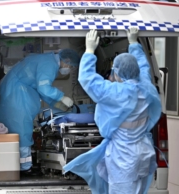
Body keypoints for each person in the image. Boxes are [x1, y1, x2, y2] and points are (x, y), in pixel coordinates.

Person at [63, 27, 162, 194]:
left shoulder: (115, 93)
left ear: (117, 73)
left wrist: (89, 50)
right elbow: (144, 66)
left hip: (123, 157)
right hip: (144, 152)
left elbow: (87, 78)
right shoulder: (146, 87)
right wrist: (133, 43)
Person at [0, 49, 80, 176]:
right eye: (70, 66)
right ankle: (25, 168)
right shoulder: (49, 64)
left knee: (15, 128)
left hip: (16, 91)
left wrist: (59, 105)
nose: (68, 69)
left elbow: (43, 90)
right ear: (67, 60)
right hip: (17, 95)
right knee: (21, 129)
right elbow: (44, 88)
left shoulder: (45, 60)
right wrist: (62, 97)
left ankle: (22, 165)